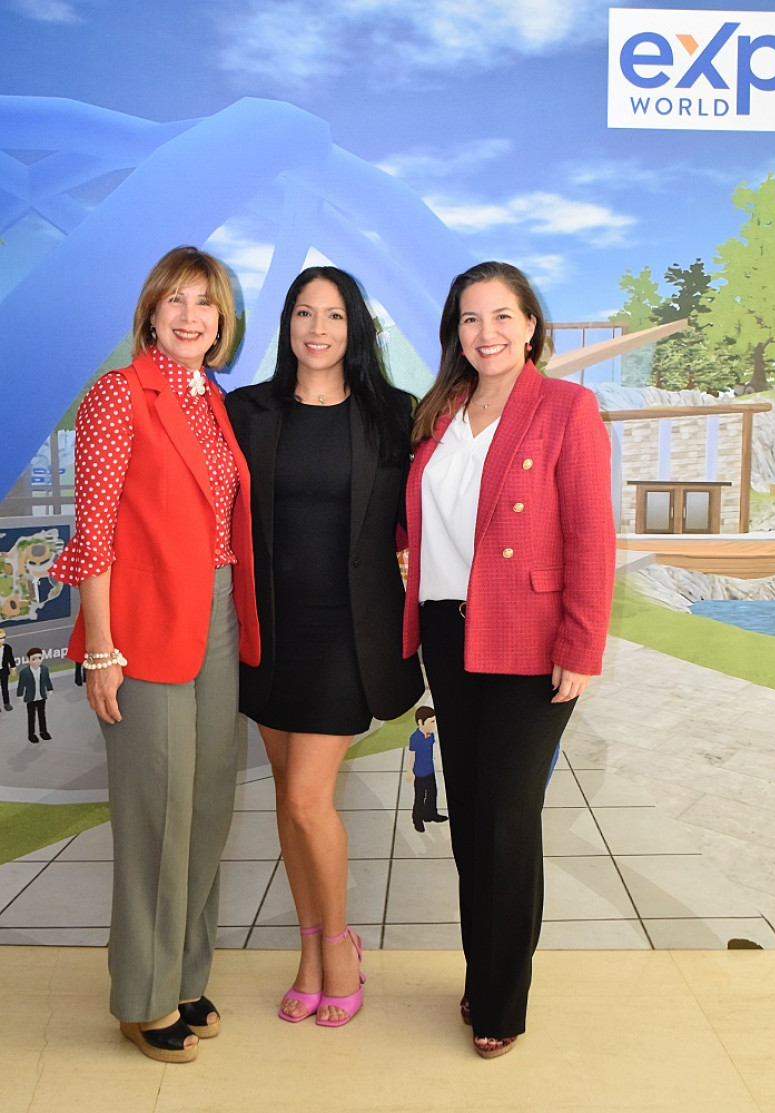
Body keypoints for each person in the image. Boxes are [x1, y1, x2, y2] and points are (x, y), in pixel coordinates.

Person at [51, 246, 260, 1064]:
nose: (190, 316)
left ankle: (183, 973)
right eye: (174, 300)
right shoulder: (116, 395)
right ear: (150, 311)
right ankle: (141, 993)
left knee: (207, 801)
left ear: (222, 320)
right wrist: (100, 649)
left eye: (205, 303)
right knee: (154, 812)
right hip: (138, 623)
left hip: (216, 613)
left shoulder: (214, 400)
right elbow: (93, 531)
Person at [402, 261, 616, 1059]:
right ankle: (482, 967)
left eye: (501, 317)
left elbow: (592, 535)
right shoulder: (441, 412)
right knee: (471, 825)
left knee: (507, 819)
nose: (485, 333)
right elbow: (421, 521)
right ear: (454, 332)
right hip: (449, 636)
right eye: (469, 319)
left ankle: (501, 1000)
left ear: (531, 324)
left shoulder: (567, 406)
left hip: (531, 640)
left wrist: (581, 646)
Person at [226, 265, 423, 1028]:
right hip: (270, 633)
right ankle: (309, 947)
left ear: (355, 328)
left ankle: (339, 946)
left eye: (334, 315)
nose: (318, 328)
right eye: (304, 313)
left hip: (350, 633)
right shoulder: (248, 411)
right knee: (288, 796)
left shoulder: (392, 415)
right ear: (286, 325)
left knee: (310, 799)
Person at [406, 705, 447, 832]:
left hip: (430, 770)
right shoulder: (415, 738)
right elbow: (412, 756)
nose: (434, 724)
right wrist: (409, 771)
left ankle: (431, 814)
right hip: (419, 773)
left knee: (432, 793)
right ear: (421, 722)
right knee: (420, 796)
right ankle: (417, 819)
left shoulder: (431, 736)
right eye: (431, 721)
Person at [16, 647, 53, 743]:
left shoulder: (44, 669)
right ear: (28, 659)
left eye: (39, 658)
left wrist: (50, 689)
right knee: (31, 716)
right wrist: (19, 695)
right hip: (30, 697)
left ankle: (43, 731)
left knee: (42, 714)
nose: (37, 661)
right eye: (33, 659)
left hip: (41, 696)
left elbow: (47, 680)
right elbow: (21, 684)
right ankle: (31, 734)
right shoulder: (24, 672)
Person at [0, 628, 16, 711]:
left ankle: (6, 703)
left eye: (3, 638)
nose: (2, 640)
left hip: (3, 670)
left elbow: (11, 658)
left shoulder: (7, 648)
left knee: (5, 687)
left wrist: (13, 667)